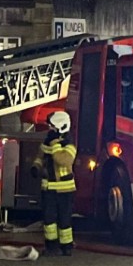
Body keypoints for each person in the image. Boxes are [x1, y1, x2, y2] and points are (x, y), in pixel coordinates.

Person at [40, 110, 77, 257]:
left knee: (64, 219)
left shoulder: (69, 145)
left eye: (52, 127)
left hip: (64, 190)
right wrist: (36, 166)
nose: (50, 129)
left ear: (61, 127)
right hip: (48, 188)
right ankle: (51, 247)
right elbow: (41, 156)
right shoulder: (48, 142)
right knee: (49, 220)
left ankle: (66, 246)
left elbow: (62, 160)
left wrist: (55, 143)